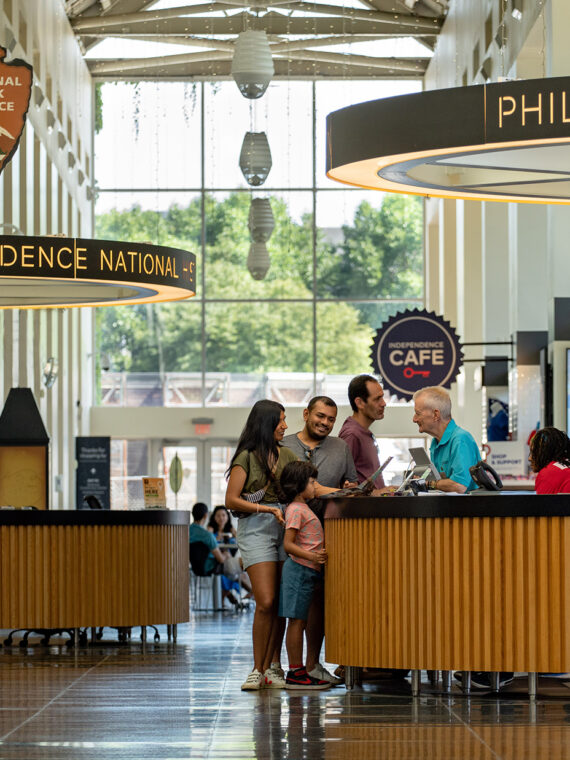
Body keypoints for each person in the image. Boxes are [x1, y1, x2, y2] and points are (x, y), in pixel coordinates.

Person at [282, 395, 356, 685]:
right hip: (292, 543)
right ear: (306, 413)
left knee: (318, 606)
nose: (325, 422)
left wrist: (349, 487)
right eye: (320, 416)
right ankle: (287, 668)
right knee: (291, 612)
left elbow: (349, 485)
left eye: (330, 419)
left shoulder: (341, 448)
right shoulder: (284, 445)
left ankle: (311, 665)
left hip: (325, 539)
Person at [225, 399, 298, 691]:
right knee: (265, 600)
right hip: (256, 528)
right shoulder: (246, 457)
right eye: (280, 420)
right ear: (267, 424)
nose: (285, 425)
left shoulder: (288, 455)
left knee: (279, 603)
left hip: (285, 528)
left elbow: (306, 486)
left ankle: (272, 666)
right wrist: (267, 510)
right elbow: (231, 500)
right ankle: (256, 668)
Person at [278, 460, 331, 690]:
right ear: (299, 484)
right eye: (311, 482)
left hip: (307, 571)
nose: (315, 486)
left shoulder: (303, 507)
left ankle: (299, 670)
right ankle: (296, 671)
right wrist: (312, 557)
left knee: (301, 620)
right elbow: (288, 545)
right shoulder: (296, 510)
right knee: (297, 622)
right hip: (300, 570)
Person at [412, 386, 480, 493]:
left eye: (418, 413)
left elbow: (459, 486)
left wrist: (428, 483)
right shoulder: (435, 443)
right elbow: (441, 482)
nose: (414, 419)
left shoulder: (460, 439)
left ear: (435, 415)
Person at [339, 374, 388, 489]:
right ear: (360, 403)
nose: (383, 403)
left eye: (382, 397)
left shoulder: (364, 432)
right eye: (377, 399)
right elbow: (345, 486)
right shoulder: (351, 434)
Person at [207, 505, 253, 607]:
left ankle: (227, 597)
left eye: (223, 515)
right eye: (218, 515)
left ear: (227, 517)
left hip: (226, 561)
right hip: (215, 560)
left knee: (229, 569)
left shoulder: (230, 530)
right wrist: (216, 538)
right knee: (229, 572)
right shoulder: (211, 530)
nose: (221, 518)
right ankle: (232, 595)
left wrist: (234, 533)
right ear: (214, 517)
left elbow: (241, 541)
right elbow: (208, 544)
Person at [189, 501, 230, 576]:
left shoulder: (186, 532)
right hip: (208, 568)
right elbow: (221, 559)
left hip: (193, 568)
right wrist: (226, 555)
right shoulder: (208, 535)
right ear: (205, 516)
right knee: (235, 564)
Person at [530, 427, 570, 493]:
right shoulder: (565, 467)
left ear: (546, 453)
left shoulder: (549, 473)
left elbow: (543, 503)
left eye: (534, 452)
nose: (530, 458)